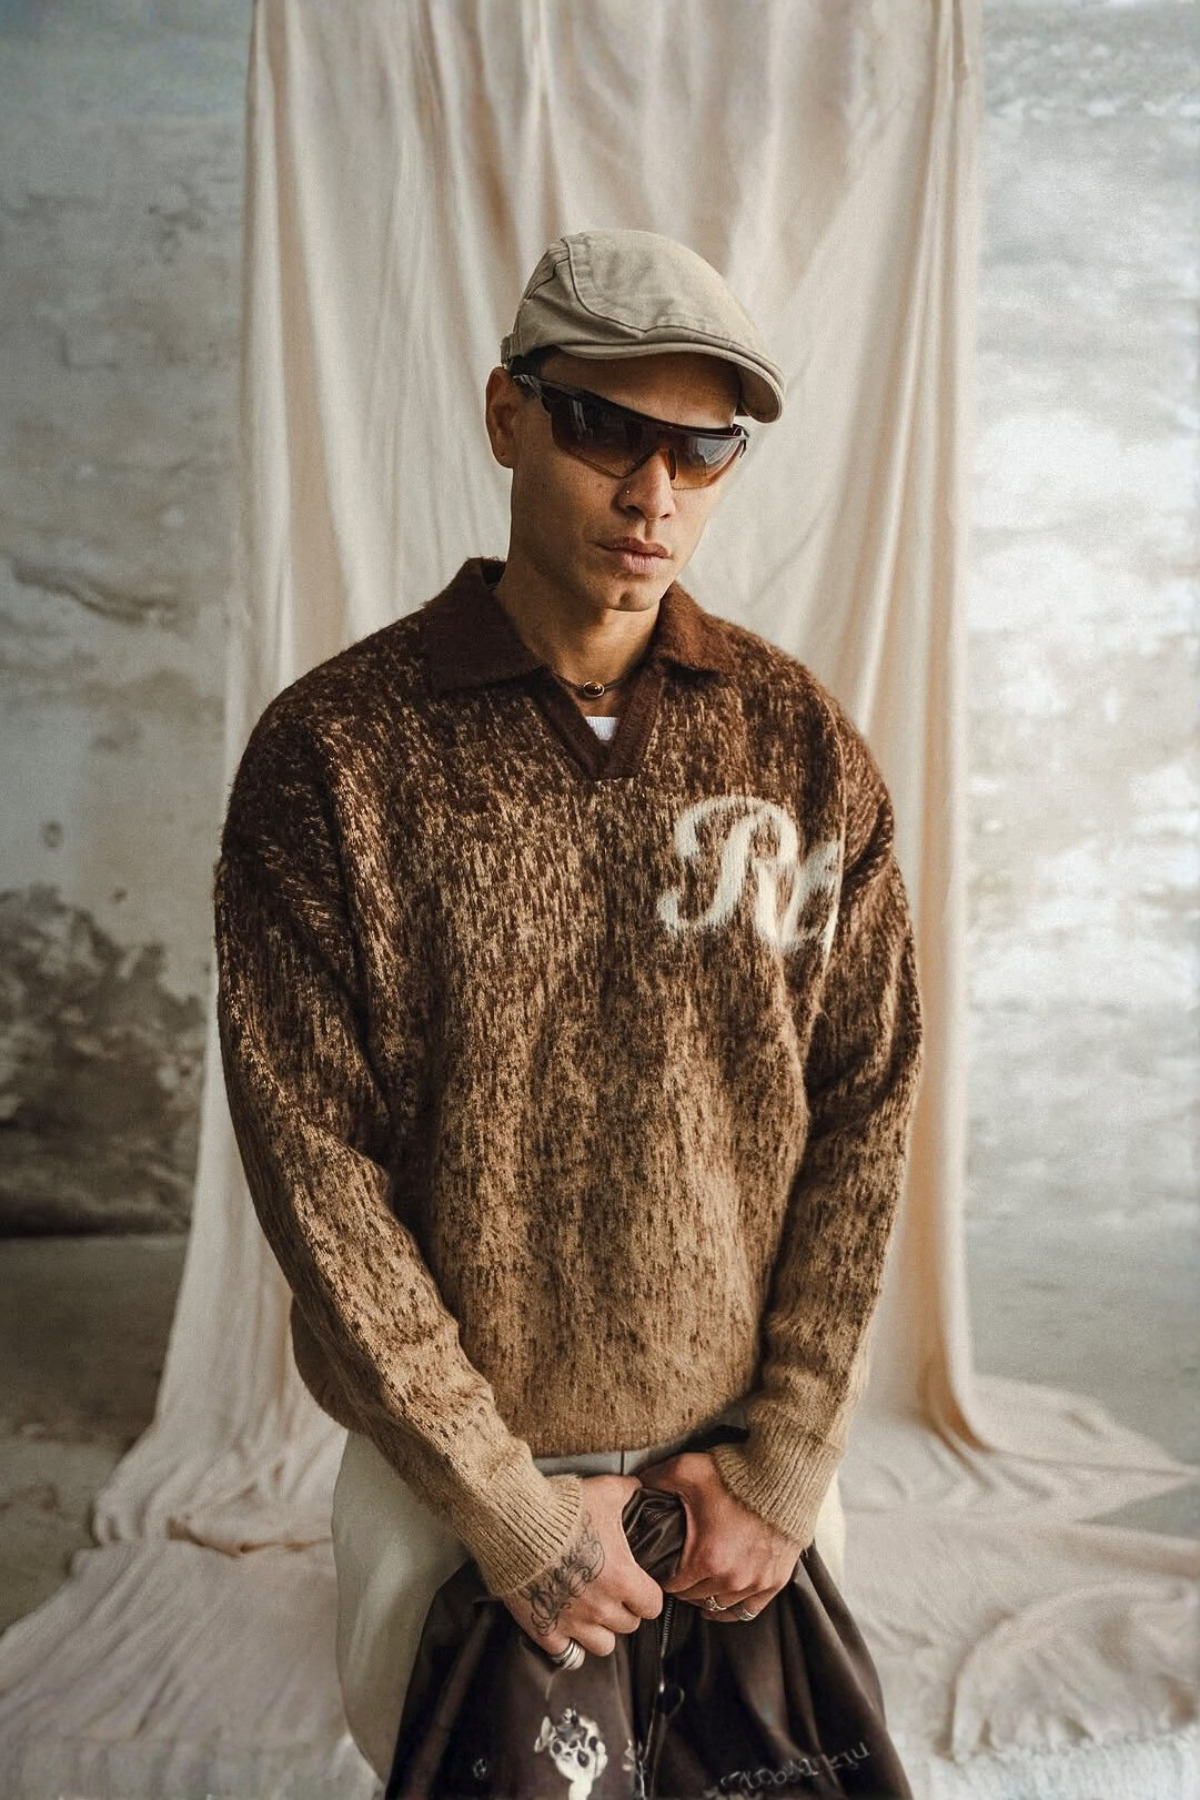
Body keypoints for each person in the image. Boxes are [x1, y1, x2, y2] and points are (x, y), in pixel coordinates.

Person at [213, 228, 923, 1786]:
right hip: (458, 1497)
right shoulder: (337, 756)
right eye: (606, 427)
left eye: (703, 448)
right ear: (507, 415)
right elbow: (313, 1164)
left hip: (738, 1501)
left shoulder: (798, 744)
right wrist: (507, 1508)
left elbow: (866, 1105)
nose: (654, 492)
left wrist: (787, 1459)